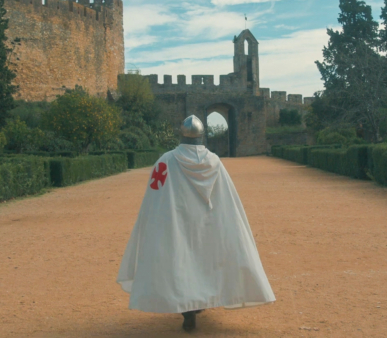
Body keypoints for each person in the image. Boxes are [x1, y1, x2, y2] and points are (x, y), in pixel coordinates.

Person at [117, 115, 275, 332]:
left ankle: (188, 311)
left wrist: (157, 221)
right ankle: (198, 304)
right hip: (207, 223)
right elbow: (227, 200)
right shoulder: (215, 162)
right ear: (202, 135)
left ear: (181, 133)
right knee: (205, 260)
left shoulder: (166, 161)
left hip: (178, 221)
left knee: (182, 262)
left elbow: (155, 198)